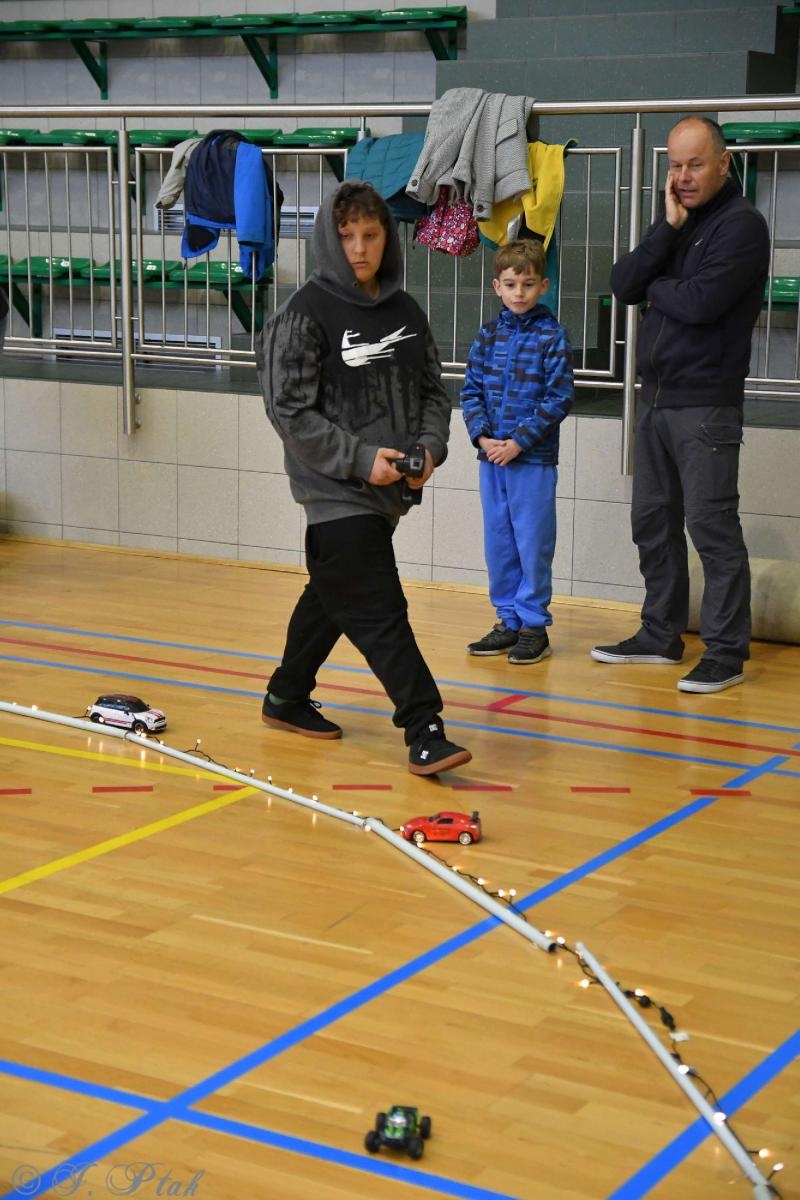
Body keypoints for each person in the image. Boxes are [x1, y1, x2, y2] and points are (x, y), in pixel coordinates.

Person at [255, 181, 471, 777]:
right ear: (328, 236)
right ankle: (424, 727)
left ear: (387, 237)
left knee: (332, 592)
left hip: (388, 493)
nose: (358, 248)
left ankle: (285, 696)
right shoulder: (301, 314)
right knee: (378, 607)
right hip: (335, 490)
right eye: (346, 235)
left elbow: (432, 392)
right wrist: (358, 458)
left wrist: (429, 448)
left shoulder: (405, 310)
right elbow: (288, 412)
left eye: (370, 235)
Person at [591, 116, 770, 694]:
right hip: (656, 400)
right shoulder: (677, 221)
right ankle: (659, 634)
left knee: (711, 528)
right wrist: (664, 234)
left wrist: (656, 289)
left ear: (723, 163)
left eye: (694, 164)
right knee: (652, 523)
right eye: (673, 165)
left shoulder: (743, 227)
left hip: (705, 405)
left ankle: (725, 652)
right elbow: (623, 282)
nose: (683, 176)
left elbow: (699, 303)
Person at [461, 240, 573, 664]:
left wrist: (520, 442)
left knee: (533, 543)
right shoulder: (489, 334)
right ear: (497, 286)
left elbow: (558, 397)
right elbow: (470, 390)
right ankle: (506, 620)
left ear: (543, 285)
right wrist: (483, 438)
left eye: (528, 284)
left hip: (532, 461)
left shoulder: (552, 336)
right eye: (511, 284)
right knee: (500, 543)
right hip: (492, 460)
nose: (519, 292)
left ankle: (533, 625)